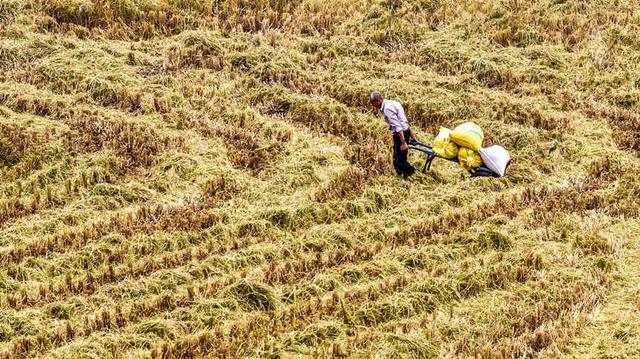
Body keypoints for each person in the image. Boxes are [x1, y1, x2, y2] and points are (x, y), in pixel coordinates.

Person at [370, 92, 416, 178]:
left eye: (373, 103)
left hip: (400, 135)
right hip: (405, 131)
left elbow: (398, 126)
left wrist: (403, 142)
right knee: (401, 158)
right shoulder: (393, 103)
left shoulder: (387, 108)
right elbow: (404, 120)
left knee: (398, 161)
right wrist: (412, 135)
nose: (373, 106)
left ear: (378, 101)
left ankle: (412, 173)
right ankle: (405, 176)